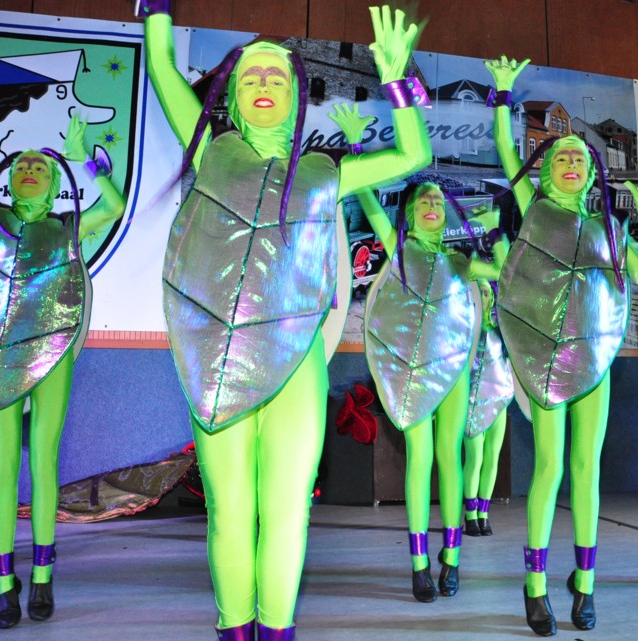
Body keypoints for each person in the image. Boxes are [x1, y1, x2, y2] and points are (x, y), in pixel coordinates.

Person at [138, 4, 430, 639]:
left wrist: (397, 76)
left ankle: (277, 632)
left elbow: (413, 152)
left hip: (296, 364)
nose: (265, 84)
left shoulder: (327, 172)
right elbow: (160, 61)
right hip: (218, 361)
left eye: (277, 76)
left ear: (297, 95)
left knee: (288, 511)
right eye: (251, 77)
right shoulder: (213, 150)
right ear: (231, 99)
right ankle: (235, 629)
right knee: (229, 511)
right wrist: (156, 7)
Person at [486, 56, 638, 636]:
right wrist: (503, 93)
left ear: (594, 173)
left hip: (595, 363)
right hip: (546, 361)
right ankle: (535, 584)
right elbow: (505, 149)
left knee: (587, 470)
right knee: (548, 467)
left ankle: (586, 583)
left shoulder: (608, 229)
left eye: (580, 158)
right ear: (546, 170)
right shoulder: (531, 210)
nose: (571, 163)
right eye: (561, 157)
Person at [0, 116, 125, 629]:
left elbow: (113, 207)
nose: (30, 169)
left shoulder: (68, 228)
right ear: (8, 177)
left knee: (44, 463)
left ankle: (43, 574)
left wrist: (85, 160)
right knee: (2, 466)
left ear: (53, 182)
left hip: (52, 354)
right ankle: (4, 585)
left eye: (41, 167)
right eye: (22, 165)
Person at [330, 103, 508, 602]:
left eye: (437, 199)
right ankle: (418, 564)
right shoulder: (396, 246)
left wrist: (496, 233)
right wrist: (356, 148)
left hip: (454, 372)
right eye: (422, 199)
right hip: (409, 373)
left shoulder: (460, 261)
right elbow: (366, 196)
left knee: (449, 459)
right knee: (419, 459)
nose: (431, 203)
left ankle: (452, 556)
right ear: (409, 212)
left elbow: (507, 272)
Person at [462, 279, 513, 537]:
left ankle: (484, 514)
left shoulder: (500, 330)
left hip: (499, 398)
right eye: (478, 292)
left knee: (493, 457)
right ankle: (470, 515)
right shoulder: (466, 329)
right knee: (476, 458)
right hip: (472, 402)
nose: (482, 297)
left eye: (485, 292)